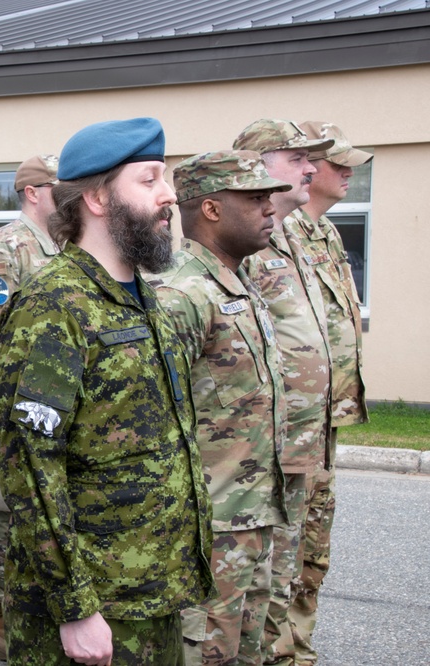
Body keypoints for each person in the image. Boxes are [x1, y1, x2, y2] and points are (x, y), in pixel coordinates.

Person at [0, 117, 214, 666]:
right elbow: (29, 465)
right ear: (96, 197)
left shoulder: (141, 297)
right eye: (149, 180)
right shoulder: (54, 306)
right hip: (94, 608)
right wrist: (75, 607)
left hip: (152, 593)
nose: (169, 197)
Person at [150, 150, 291, 665]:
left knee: (246, 651)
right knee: (203, 653)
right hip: (210, 530)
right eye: (255, 199)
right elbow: (156, 418)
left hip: (250, 517)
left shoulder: (235, 281)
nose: (270, 209)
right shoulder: (183, 292)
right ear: (211, 209)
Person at [232, 119, 334, 666]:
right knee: (245, 587)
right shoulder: (242, 241)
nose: (311, 169)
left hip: (301, 439)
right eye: (298, 158)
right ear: (259, 163)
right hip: (254, 449)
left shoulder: (294, 235)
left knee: (284, 572)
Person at [285, 121, 372, 666]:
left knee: (313, 546)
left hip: (326, 418)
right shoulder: (273, 230)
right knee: (285, 547)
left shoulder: (324, 233)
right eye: (335, 163)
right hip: (290, 423)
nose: (341, 173)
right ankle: (275, 648)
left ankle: (296, 647)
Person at [0, 153, 60, 661]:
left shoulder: (59, 246)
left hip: (51, 404)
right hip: (15, 408)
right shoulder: (9, 246)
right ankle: (3, 616)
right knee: (11, 511)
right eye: (57, 188)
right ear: (32, 192)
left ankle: (40, 608)